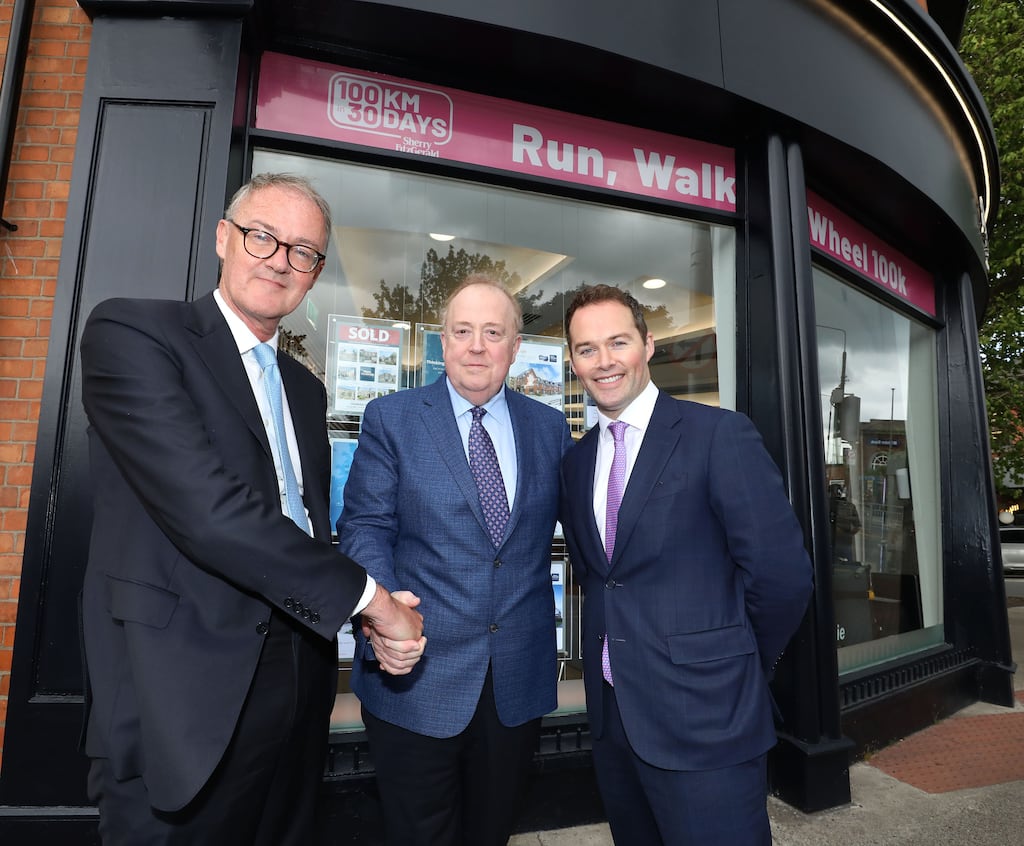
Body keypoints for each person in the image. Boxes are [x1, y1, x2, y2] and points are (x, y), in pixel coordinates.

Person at [79, 173, 426, 846]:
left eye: (303, 251)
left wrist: (360, 604)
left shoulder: (303, 388)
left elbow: (302, 525)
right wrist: (373, 601)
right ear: (222, 238)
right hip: (180, 700)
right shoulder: (135, 334)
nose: (279, 259)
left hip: (296, 693)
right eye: (262, 236)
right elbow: (212, 513)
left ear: (315, 272)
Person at [559, 284, 813, 846]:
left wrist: (730, 663)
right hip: (615, 720)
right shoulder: (576, 463)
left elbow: (781, 577)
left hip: (708, 718)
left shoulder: (718, 435)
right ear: (573, 360)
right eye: (586, 349)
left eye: (618, 342)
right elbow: (602, 579)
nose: (604, 361)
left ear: (648, 345)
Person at [337, 274, 574, 846]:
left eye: (493, 332)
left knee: (492, 830)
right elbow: (365, 527)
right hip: (416, 676)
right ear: (442, 342)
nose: (476, 346)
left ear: (515, 348)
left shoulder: (548, 428)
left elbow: (589, 530)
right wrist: (385, 612)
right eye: (463, 331)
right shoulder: (391, 418)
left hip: (516, 678)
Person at [829, 483, 861, 563]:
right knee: (848, 565)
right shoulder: (850, 506)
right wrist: (848, 534)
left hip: (831, 542)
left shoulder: (826, 506)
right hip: (846, 542)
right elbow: (858, 526)